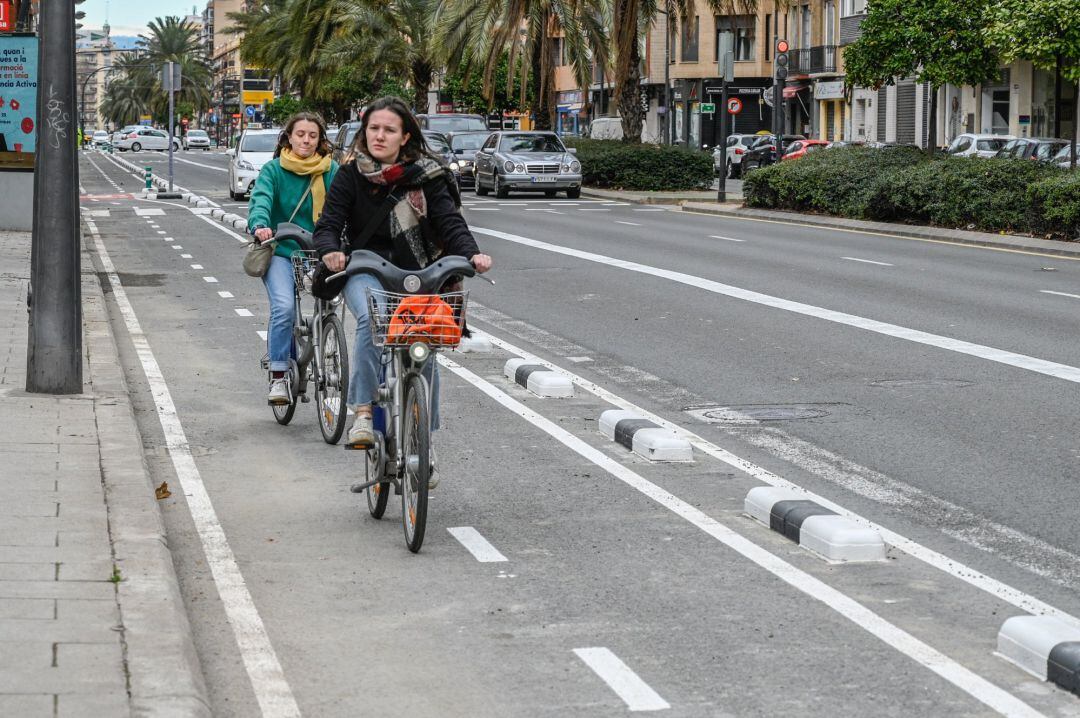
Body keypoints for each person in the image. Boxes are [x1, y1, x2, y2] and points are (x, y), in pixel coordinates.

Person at [313, 96, 492, 452]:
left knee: (423, 345)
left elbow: (449, 221)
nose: (379, 136)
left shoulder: (429, 174)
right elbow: (329, 224)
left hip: (417, 272)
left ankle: (424, 440)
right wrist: (331, 251)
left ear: (405, 136)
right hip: (366, 267)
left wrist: (471, 254)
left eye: (389, 130)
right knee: (371, 318)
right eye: (373, 128)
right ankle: (363, 412)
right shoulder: (350, 173)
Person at [247, 112, 339, 405]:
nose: (306, 140)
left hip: (321, 253)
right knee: (284, 308)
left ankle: (325, 352)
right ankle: (277, 375)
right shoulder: (273, 170)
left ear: (320, 140)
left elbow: (344, 205)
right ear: (288, 137)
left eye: (313, 136)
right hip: (283, 252)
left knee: (329, 308)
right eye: (300, 134)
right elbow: (261, 199)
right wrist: (260, 226)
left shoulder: (331, 170)